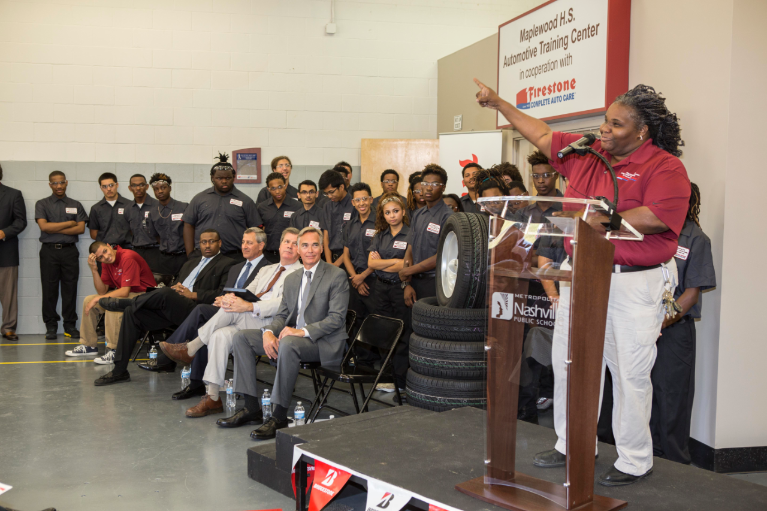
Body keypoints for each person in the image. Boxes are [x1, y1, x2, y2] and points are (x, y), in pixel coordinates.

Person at [474, 78, 690, 486]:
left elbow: (662, 215)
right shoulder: (585, 152)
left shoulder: (664, 166)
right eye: (605, 121)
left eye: (616, 124)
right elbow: (539, 133)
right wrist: (501, 105)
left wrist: (603, 218)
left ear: (641, 131)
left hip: (632, 282)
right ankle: (572, 442)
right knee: (569, 362)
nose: (605, 129)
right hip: (580, 277)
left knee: (628, 371)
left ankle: (633, 458)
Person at [218, 227, 349, 440]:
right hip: (291, 339)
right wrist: (268, 332)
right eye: (304, 245)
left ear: (321, 248)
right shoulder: (292, 278)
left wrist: (301, 331)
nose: (310, 250)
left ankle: (278, 416)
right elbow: (282, 315)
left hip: (323, 342)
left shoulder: (336, 275)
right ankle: (251, 408)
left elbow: (336, 319)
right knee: (241, 338)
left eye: (315, 245)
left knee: (288, 343)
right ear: (297, 249)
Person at [161, 230, 302, 417]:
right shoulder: (267, 269)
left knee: (229, 310)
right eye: (286, 241)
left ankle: (192, 347)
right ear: (279, 245)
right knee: (220, 333)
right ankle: (212, 397)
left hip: (272, 323)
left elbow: (283, 305)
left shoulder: (301, 273)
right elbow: (246, 292)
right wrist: (229, 298)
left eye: (294, 243)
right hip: (246, 318)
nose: (289, 246)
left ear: (300, 249)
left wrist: (248, 306)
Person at [92, 229, 236, 385]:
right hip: (173, 308)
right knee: (131, 313)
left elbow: (222, 294)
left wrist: (192, 294)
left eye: (211, 241)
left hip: (198, 310)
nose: (207, 245)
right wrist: (176, 289)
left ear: (219, 243)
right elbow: (175, 285)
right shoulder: (190, 263)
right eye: (203, 242)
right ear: (198, 244)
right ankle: (119, 371)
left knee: (164, 292)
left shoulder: (228, 264)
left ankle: (129, 301)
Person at [650, 182, 716, 464]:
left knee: (671, 395)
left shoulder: (696, 239)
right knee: (645, 391)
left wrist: (661, 323)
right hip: (642, 324)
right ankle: (647, 453)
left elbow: (691, 293)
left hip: (674, 330)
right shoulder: (652, 232)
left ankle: (675, 461)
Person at [65, 242, 155, 361]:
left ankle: (115, 351)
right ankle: (89, 345)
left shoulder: (128, 257)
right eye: (100, 257)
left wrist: (98, 298)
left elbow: (124, 292)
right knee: (88, 301)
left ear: (109, 246)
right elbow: (102, 291)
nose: (106, 257)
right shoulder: (106, 264)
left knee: (112, 303)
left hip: (146, 296)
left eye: (105, 251)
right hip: (129, 294)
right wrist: (94, 270)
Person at [35, 170, 88, 340]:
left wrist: (54, 226)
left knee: (70, 289)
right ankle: (51, 326)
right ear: (50, 184)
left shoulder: (76, 204)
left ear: (66, 183)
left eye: (61, 182)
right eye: (55, 183)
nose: (58, 186)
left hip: (69, 251)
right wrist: (68, 224)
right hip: (49, 251)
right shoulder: (42, 204)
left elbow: (80, 229)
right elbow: (44, 227)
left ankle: (69, 325)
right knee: (49, 289)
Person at [367, 192, 410, 392]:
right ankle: (386, 376)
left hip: (399, 289)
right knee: (383, 331)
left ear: (402, 211)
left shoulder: (411, 234)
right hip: (380, 288)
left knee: (401, 333)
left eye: (395, 211)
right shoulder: (379, 235)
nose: (392, 215)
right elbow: (370, 263)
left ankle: (400, 380)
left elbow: (406, 265)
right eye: (387, 213)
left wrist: (382, 263)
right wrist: (393, 263)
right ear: (382, 215)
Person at [183, 153, 261, 262]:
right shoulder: (199, 199)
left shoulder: (245, 201)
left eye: (228, 178)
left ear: (233, 177)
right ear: (212, 178)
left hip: (234, 257)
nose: (224, 181)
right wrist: (190, 254)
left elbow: (256, 229)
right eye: (219, 178)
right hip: (203, 256)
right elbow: (188, 225)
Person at [398, 164, 453, 307]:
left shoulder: (448, 217)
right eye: (425, 184)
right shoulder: (418, 214)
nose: (429, 188)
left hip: (435, 283)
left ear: (443, 187)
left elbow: (443, 255)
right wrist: (406, 283)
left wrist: (409, 271)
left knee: (433, 326)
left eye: (435, 184)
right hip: (414, 282)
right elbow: (410, 248)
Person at [342, 183, 377, 337]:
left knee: (374, 319)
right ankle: (360, 359)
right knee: (356, 319)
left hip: (375, 279)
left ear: (371, 199)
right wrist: (356, 278)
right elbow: (346, 255)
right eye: (358, 200)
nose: (361, 203)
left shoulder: (380, 223)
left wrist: (363, 277)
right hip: (354, 280)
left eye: (364, 199)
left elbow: (383, 255)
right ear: (353, 202)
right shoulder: (350, 225)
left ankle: (378, 359)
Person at [0, 163, 27, 342]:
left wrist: (4, 233)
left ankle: (8, 328)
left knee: (9, 294)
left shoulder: (13, 194)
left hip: (6, 252)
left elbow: (21, 221)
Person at [145, 172, 188, 279]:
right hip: (164, 259)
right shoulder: (153, 212)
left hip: (184, 257)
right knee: (165, 289)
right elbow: (156, 236)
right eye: (156, 189)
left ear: (169, 188)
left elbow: (192, 231)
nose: (160, 191)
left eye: (163, 187)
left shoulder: (184, 207)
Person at [257, 172, 301, 263]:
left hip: (291, 254)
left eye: (280, 187)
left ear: (285, 186)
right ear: (268, 189)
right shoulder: (262, 207)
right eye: (273, 188)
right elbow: (258, 231)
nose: (277, 191)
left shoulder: (297, 206)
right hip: (268, 255)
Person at [318, 169, 353, 268]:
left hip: (349, 260)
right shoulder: (327, 206)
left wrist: (337, 264)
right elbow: (326, 235)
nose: (329, 196)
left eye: (331, 192)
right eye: (326, 193)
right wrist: (330, 263)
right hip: (331, 259)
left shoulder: (354, 205)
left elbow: (354, 240)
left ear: (341, 187)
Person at [516, 151, 563, 223]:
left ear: (556, 175)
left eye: (546, 175)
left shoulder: (568, 209)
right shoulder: (523, 213)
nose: (540, 181)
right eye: (536, 176)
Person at [89, 172, 132, 249]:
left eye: (111, 185)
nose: (108, 189)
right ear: (101, 188)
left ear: (117, 185)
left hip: (126, 249)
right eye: (104, 186)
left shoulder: (130, 205)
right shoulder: (96, 208)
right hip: (105, 250)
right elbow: (93, 234)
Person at [126, 174, 159, 272]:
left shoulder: (157, 205)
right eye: (134, 185)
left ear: (147, 186)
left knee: (156, 283)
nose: (138, 188)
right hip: (136, 252)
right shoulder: (128, 208)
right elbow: (130, 230)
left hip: (155, 251)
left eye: (141, 185)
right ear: (130, 188)